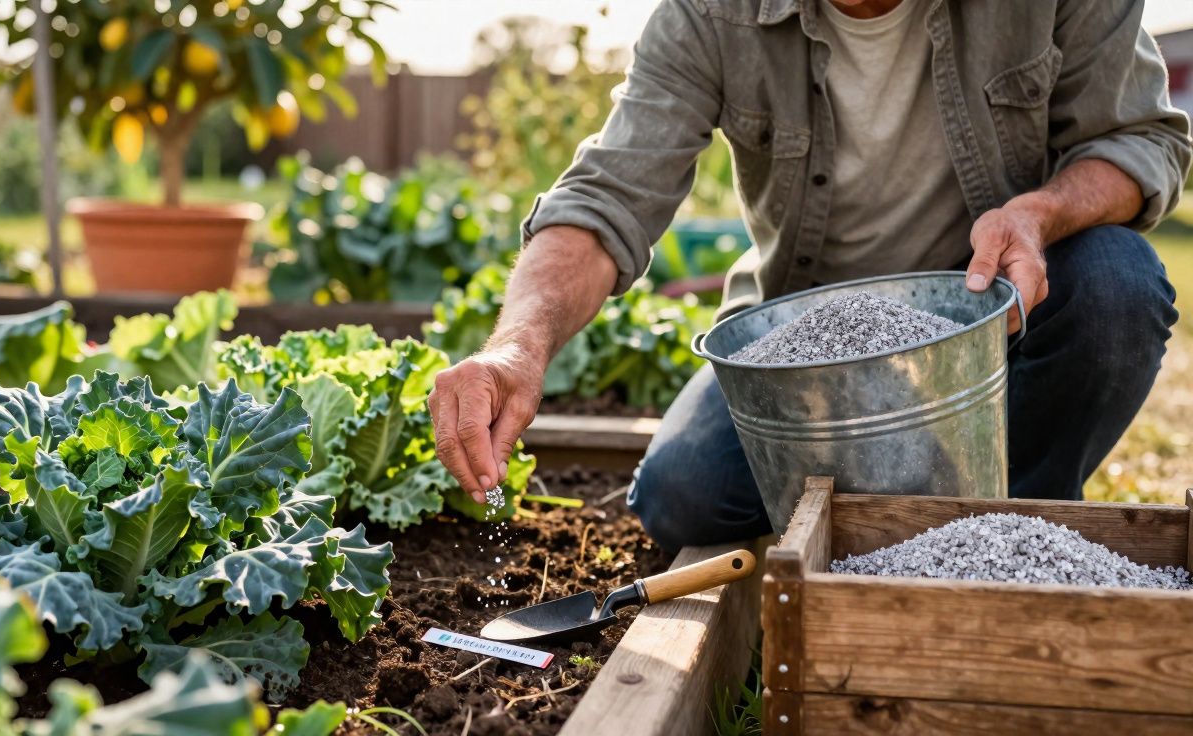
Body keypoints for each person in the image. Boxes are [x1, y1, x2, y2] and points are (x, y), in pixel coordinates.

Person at [428, 0, 1192, 550]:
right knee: (682, 495)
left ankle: (1015, 535)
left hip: (992, 317)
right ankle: (892, 532)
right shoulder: (711, 16)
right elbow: (607, 197)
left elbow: (1140, 142)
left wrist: (1038, 215)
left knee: (1118, 283)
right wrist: (518, 347)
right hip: (801, 344)